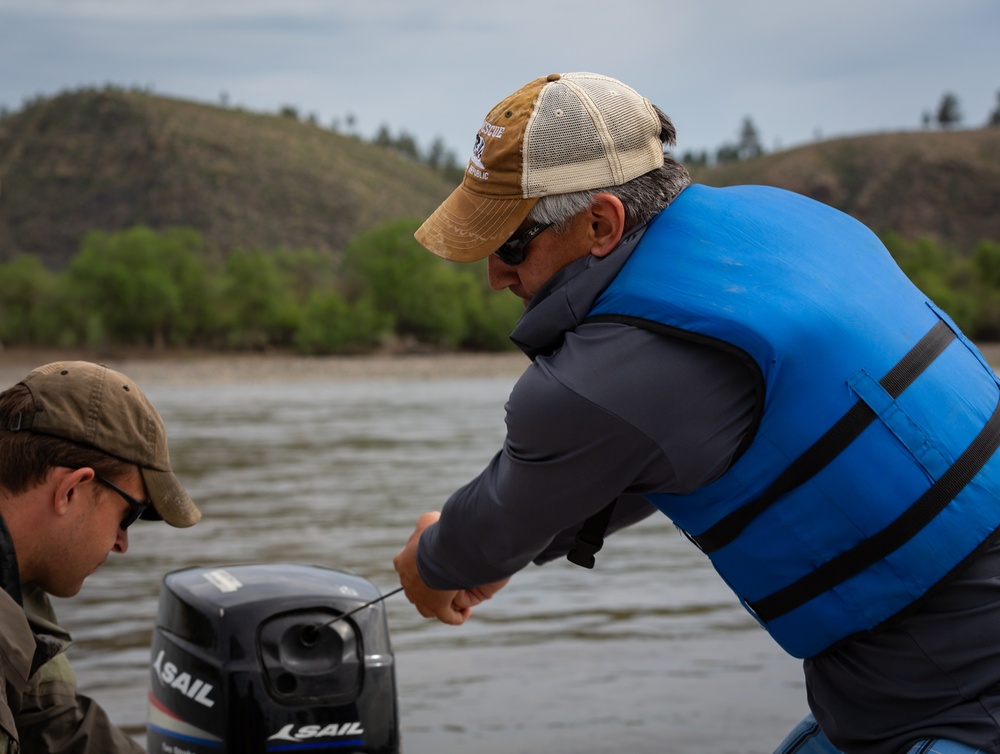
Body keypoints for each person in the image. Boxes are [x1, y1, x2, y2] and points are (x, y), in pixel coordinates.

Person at [392, 72, 1000, 754]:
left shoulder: (603, 375)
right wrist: (516, 541)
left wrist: (437, 560)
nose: (496, 277)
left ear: (601, 223)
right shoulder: (788, 220)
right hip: (902, 674)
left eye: (510, 247)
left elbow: (502, 517)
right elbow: (657, 449)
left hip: (955, 682)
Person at [0, 361, 201, 753]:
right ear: (71, 490)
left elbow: (58, 730)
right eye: (130, 515)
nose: (122, 543)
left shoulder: (17, 594)